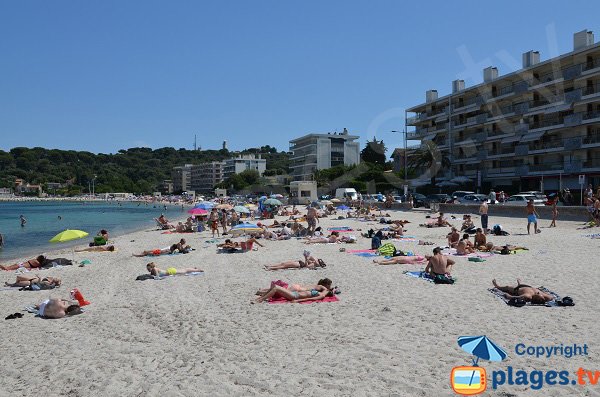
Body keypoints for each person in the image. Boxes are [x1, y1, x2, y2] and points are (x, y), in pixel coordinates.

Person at [253, 278, 333, 303]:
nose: (328, 289)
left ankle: (260, 299)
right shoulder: (321, 290)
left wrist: (298, 301)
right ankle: (260, 298)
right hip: (295, 293)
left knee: (276, 288)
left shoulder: (322, 293)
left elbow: (312, 299)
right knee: (276, 288)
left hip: (295, 296)